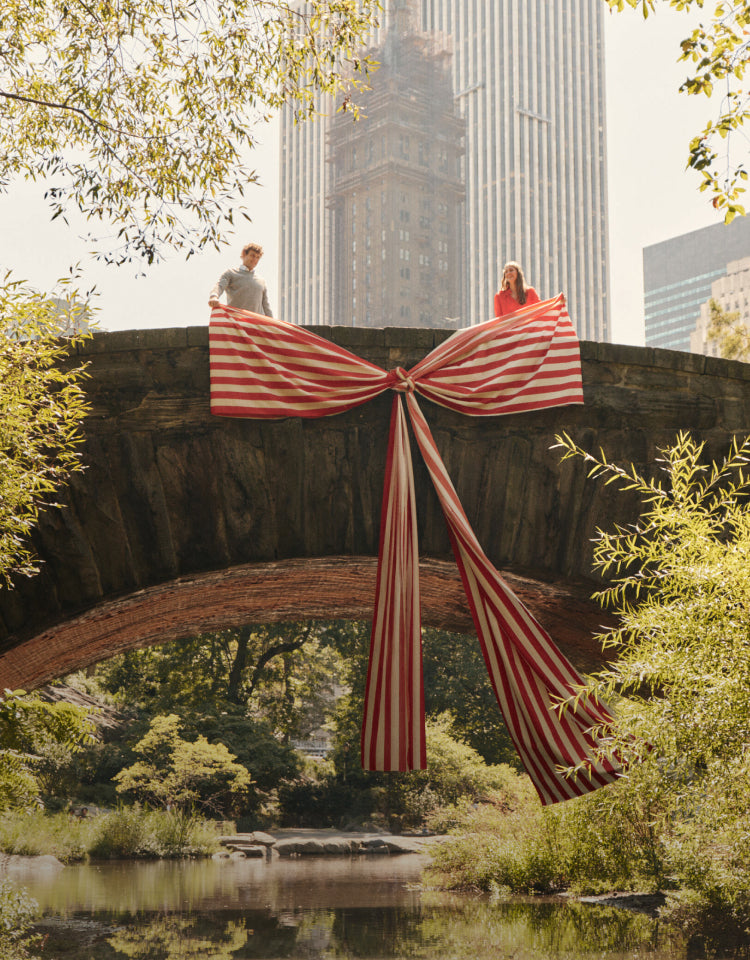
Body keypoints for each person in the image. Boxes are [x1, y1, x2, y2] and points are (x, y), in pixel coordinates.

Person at [208, 242, 273, 316]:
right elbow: (219, 285)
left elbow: (266, 305)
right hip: (235, 323)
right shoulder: (231, 273)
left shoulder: (261, 281)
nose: (255, 259)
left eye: (258, 257)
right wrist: (214, 297)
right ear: (244, 254)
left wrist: (274, 325)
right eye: (252, 255)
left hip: (253, 324)